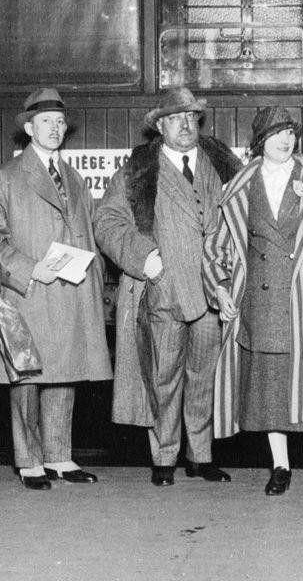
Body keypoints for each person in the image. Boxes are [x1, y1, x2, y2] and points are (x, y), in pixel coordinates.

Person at [94, 88, 244, 487]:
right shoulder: (138, 170)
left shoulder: (222, 163)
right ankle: (164, 456)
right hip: (163, 289)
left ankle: (201, 455)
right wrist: (145, 259)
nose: (184, 125)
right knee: (163, 376)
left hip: (215, 291)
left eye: (191, 117)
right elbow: (108, 222)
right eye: (175, 118)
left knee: (205, 376)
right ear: (159, 126)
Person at [204, 107, 303, 496]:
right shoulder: (241, 185)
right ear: (260, 142)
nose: (285, 140)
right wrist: (220, 287)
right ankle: (281, 466)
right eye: (276, 134)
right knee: (270, 391)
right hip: (260, 302)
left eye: (290, 133)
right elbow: (218, 247)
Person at [0, 88, 112, 489]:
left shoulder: (73, 177)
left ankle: (59, 455)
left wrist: (95, 276)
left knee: (64, 372)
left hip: (71, 288)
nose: (55, 129)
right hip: (30, 290)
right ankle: (29, 460)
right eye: (45, 122)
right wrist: (29, 269)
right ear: (28, 127)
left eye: (59, 122)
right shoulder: (6, 177)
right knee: (28, 376)